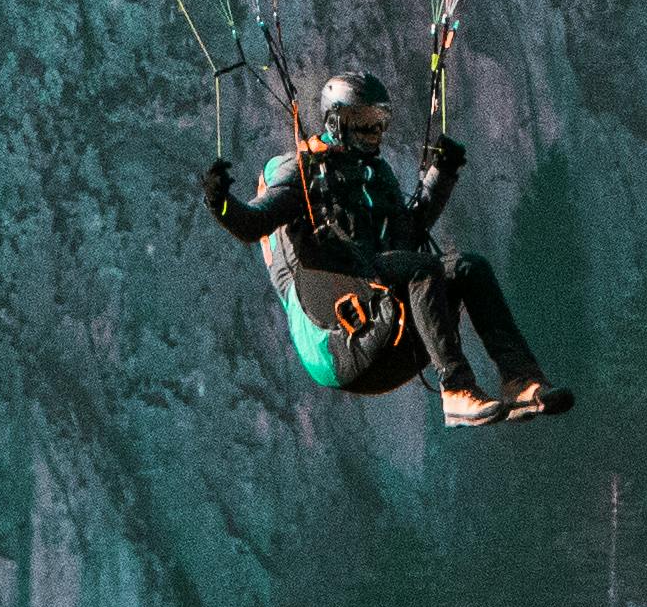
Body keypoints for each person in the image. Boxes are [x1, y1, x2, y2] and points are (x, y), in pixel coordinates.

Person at [207, 73, 574, 428]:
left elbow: (408, 233)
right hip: (341, 335)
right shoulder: (303, 170)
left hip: (386, 325)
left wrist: (441, 175)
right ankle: (457, 389)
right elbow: (253, 224)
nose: (374, 133)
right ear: (336, 122)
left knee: (468, 268)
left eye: (380, 122)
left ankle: (521, 381)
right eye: (364, 122)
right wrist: (220, 201)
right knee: (422, 268)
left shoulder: (376, 173)